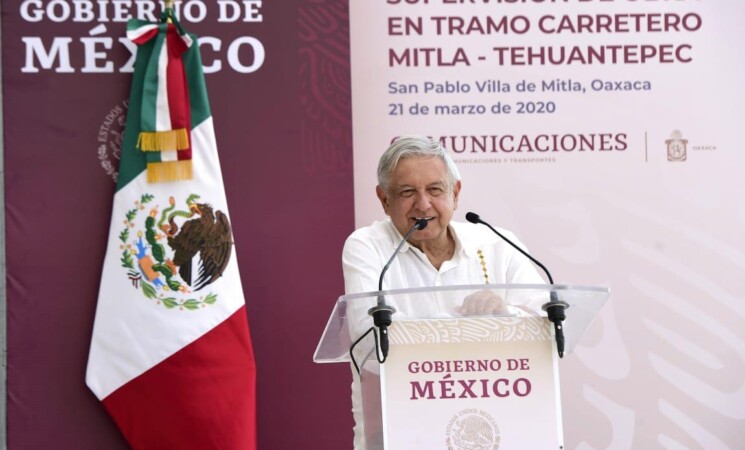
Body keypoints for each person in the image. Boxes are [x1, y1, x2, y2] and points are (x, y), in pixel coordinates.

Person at [341, 135, 546, 449]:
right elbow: (367, 340)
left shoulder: (497, 242)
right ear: (384, 200)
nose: (423, 204)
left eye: (435, 190)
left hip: (499, 428)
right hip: (400, 432)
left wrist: (504, 313)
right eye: (407, 192)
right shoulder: (367, 248)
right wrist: (473, 325)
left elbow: (551, 325)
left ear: (456, 192)